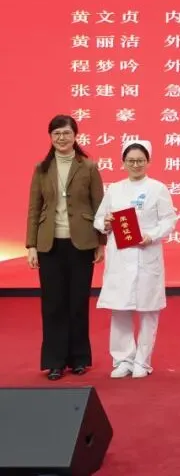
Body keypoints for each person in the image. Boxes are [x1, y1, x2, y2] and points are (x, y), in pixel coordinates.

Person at [26, 114, 105, 381]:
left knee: (78, 302)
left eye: (66, 133)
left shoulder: (89, 167)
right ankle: (55, 361)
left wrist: (101, 243)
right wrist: (31, 245)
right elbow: (34, 208)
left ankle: (79, 359)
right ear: (50, 137)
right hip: (49, 244)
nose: (62, 138)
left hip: (81, 242)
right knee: (53, 304)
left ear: (75, 136)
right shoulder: (42, 168)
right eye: (57, 133)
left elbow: (99, 206)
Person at [93, 140, 178, 379]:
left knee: (148, 310)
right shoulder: (114, 189)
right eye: (131, 161)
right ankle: (123, 360)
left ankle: (143, 360)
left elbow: (169, 220)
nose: (136, 164)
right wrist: (105, 223)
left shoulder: (157, 188)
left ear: (148, 162)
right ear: (123, 163)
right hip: (120, 257)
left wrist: (151, 235)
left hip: (146, 253)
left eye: (140, 160)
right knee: (120, 309)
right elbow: (99, 219)